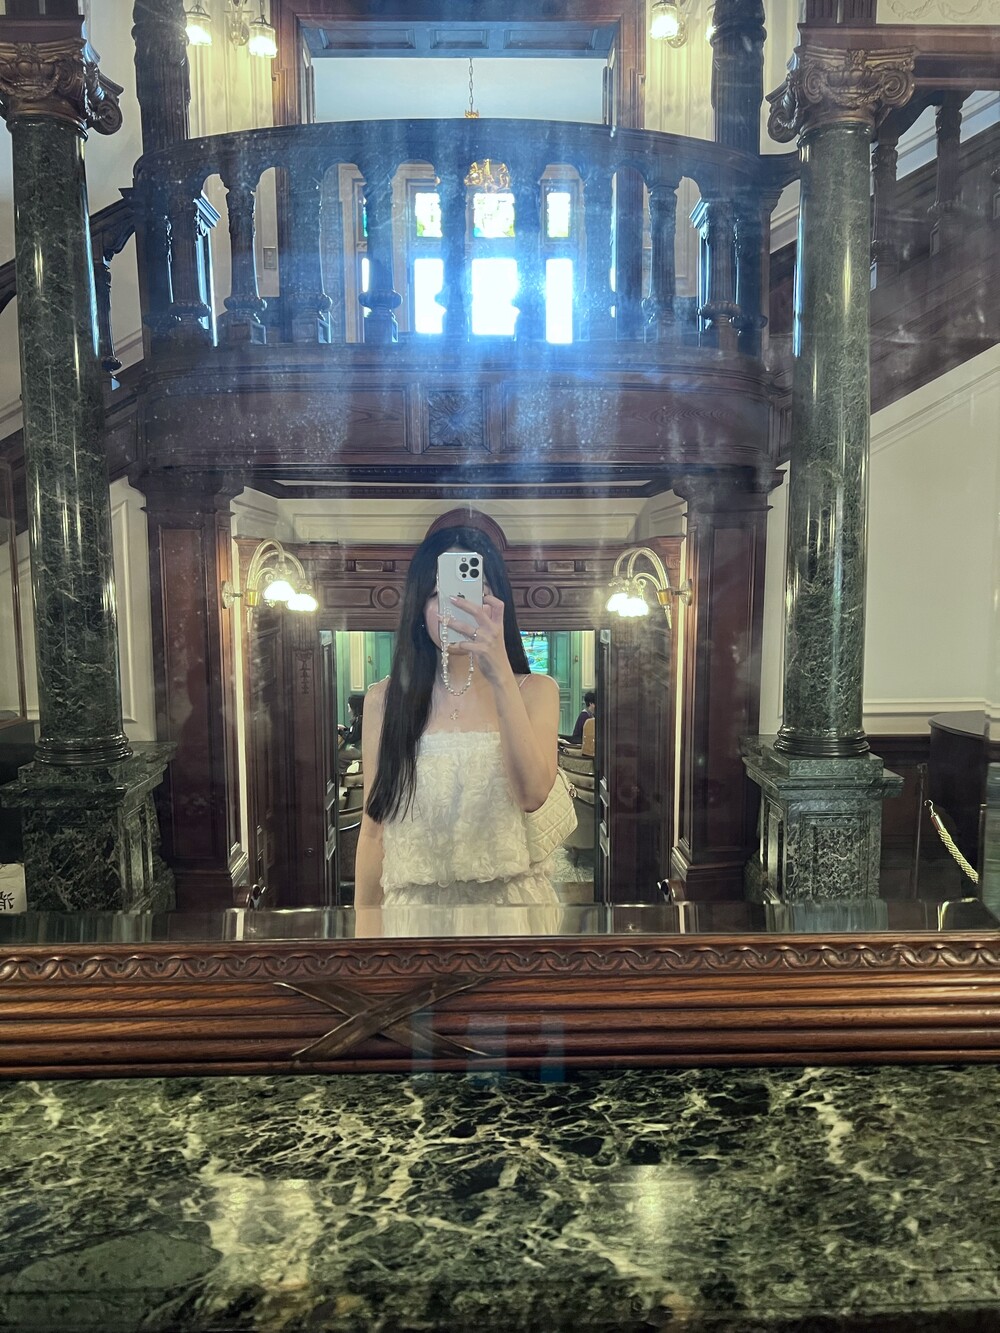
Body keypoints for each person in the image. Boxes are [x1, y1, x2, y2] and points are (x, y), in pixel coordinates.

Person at [354, 525, 562, 926]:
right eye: (438, 594)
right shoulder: (385, 700)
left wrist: (500, 673)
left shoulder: (536, 691)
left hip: (513, 916)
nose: (455, 607)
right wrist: (364, 929)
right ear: (419, 607)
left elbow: (532, 794)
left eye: (473, 594)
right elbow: (374, 830)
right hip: (413, 919)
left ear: (497, 605)